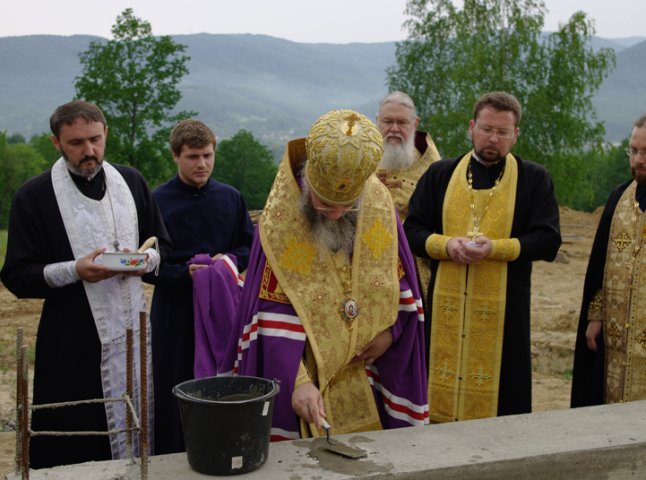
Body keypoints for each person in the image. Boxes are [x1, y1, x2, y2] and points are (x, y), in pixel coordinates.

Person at [235, 109, 428, 440]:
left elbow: (402, 284)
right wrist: (295, 382)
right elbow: (269, 313)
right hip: (306, 365)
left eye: (348, 206)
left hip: (369, 367)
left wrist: (391, 333)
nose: (338, 214)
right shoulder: (281, 218)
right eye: (325, 204)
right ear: (308, 182)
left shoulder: (377, 205)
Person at [0, 100, 171, 469]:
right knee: (75, 442)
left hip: (132, 333)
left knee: (139, 423)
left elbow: (161, 246)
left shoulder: (133, 182)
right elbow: (16, 274)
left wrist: (144, 261)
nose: (88, 151)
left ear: (106, 133)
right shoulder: (34, 195)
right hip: (71, 339)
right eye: (76, 142)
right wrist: (75, 270)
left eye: (95, 139)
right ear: (56, 143)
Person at [404, 91, 561, 423]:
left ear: (516, 134)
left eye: (503, 132)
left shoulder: (534, 179)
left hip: (506, 315)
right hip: (445, 313)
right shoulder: (440, 175)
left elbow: (548, 241)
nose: (494, 139)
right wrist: (447, 247)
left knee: (504, 411)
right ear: (472, 127)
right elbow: (412, 231)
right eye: (487, 129)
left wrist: (497, 249)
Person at [144, 119, 254, 455]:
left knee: (223, 382)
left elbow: (249, 247)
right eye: (193, 156)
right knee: (174, 383)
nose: (202, 164)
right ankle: (173, 455)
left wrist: (228, 262)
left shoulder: (230, 197)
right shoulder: (156, 201)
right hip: (175, 313)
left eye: (207, 155)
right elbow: (146, 265)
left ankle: (222, 450)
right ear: (176, 155)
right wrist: (183, 274)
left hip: (224, 308)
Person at [571, 115, 646, 407]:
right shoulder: (619, 198)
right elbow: (601, 266)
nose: (638, 160)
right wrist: (595, 315)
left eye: (645, 152)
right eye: (634, 151)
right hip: (618, 343)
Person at [375, 91, 441, 301]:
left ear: (415, 123)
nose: (394, 129)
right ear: (377, 121)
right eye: (387, 121)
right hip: (364, 262)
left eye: (402, 122)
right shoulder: (359, 158)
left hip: (413, 265)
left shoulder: (434, 169)